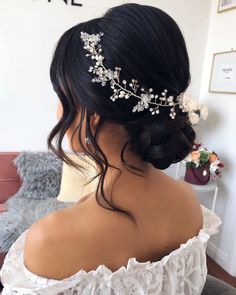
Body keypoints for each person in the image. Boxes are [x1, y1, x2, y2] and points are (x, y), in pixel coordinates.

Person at [0, 3, 222, 294]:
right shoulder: (188, 202)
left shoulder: (50, 239)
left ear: (93, 116)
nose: (58, 112)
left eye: (62, 96)